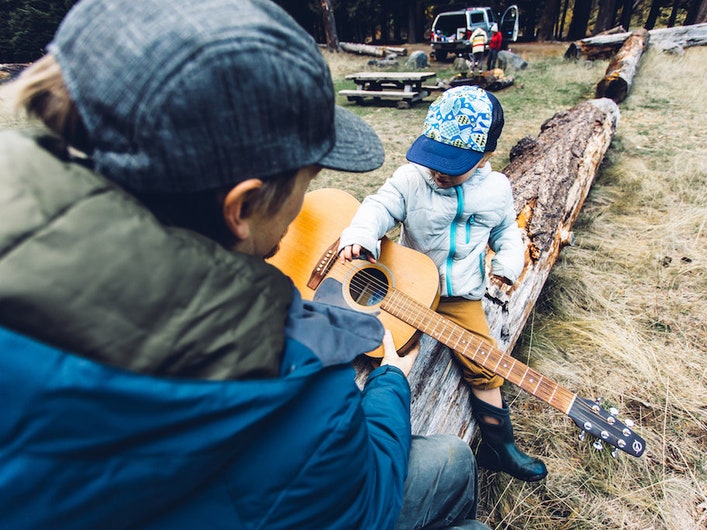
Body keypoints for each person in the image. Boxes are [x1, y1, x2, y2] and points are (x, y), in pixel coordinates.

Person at [0, 1, 490, 529]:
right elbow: (364, 506)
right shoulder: (299, 379)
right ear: (240, 207)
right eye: (310, 178)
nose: (309, 199)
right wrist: (391, 383)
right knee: (457, 471)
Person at [339, 86, 549, 484]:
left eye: (451, 164)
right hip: (407, 283)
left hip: (459, 296)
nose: (438, 170)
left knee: (485, 363)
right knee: (374, 345)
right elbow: (379, 205)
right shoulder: (411, 180)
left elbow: (507, 232)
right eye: (432, 157)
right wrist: (363, 233)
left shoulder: (496, 189)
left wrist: (508, 260)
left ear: (486, 156)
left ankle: (499, 446)